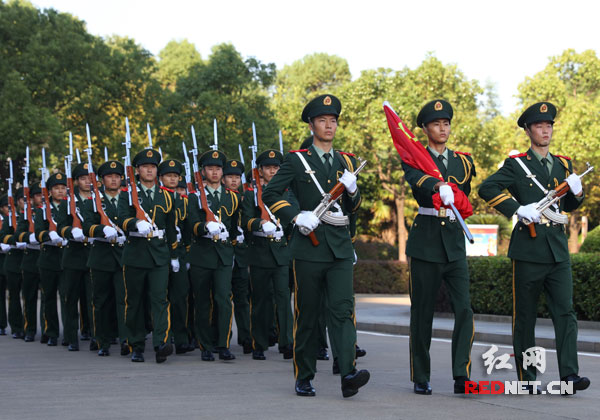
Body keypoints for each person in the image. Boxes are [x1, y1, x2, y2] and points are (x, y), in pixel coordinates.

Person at [478, 102, 590, 394]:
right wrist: (517, 208)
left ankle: (570, 375)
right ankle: (526, 377)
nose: (545, 131)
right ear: (528, 130)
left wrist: (578, 193)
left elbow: (568, 204)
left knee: (565, 313)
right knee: (525, 316)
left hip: (557, 250)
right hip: (528, 250)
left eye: (549, 126)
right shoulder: (517, 165)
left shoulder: (563, 164)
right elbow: (486, 188)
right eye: (539, 126)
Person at [262, 94, 369, 398]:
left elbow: (354, 206)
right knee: (308, 314)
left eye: (333, 120)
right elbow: (271, 193)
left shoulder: (345, 161)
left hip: (339, 248)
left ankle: (348, 372)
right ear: (311, 125)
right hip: (308, 248)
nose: (328, 125)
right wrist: (296, 215)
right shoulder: (297, 160)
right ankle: (304, 375)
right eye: (322, 120)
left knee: (342, 311)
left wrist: (353, 190)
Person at [400, 99, 477, 395]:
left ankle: (462, 374)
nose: (442, 128)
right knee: (422, 312)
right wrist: (435, 186)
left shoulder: (463, 162)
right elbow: (415, 180)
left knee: (464, 310)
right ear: (425, 128)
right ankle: (421, 374)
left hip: (454, 243)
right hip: (427, 241)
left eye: (446, 123)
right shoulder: (414, 159)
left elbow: (464, 197)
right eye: (436, 124)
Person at [117, 148, 178, 363]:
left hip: (159, 254)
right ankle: (136, 344)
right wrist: (135, 223)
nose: (149, 170)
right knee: (134, 301)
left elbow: (171, 228)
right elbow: (121, 219)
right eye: (145, 167)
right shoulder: (128, 195)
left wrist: (174, 254)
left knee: (160, 299)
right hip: (135, 253)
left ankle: (161, 343)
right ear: (137, 170)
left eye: (153, 167)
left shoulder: (168, 196)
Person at [187, 150, 239, 362]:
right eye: (210, 168)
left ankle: (223, 344)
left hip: (224, 256)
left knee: (224, 300)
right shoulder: (194, 198)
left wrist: (231, 242)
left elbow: (235, 227)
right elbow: (191, 224)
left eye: (218, 169)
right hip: (202, 254)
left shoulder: (232, 197)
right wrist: (204, 228)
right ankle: (205, 345)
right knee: (202, 302)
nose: (215, 172)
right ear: (203, 171)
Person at [241, 150, 294, 360]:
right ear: (260, 170)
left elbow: (294, 219)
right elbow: (244, 221)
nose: (272, 170)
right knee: (260, 300)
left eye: (276, 167)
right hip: (260, 252)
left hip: (281, 253)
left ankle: (287, 343)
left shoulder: (287, 193)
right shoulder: (251, 194)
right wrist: (259, 223)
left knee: (283, 299)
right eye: (268, 167)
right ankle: (259, 343)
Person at [81, 160, 129, 357]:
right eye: (110, 176)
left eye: (117, 176)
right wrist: (102, 230)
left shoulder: (129, 199)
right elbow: (87, 227)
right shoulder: (92, 201)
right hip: (101, 257)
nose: (114, 179)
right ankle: (102, 340)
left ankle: (127, 339)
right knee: (100, 301)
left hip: (123, 256)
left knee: (124, 300)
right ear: (102, 180)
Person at [158, 159, 194, 355]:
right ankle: (164, 336)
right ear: (161, 178)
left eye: (175, 176)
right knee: (160, 296)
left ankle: (181, 338)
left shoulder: (183, 201)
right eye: (168, 176)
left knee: (180, 296)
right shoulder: (156, 198)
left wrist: (186, 253)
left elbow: (188, 229)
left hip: (179, 253)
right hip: (159, 250)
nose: (172, 179)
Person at [56, 162, 94, 351]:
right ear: (77, 181)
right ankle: (71, 337)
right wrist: (71, 232)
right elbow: (60, 227)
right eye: (83, 178)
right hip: (73, 256)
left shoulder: (99, 200)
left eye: (89, 177)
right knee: (71, 299)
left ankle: (97, 336)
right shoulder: (68, 202)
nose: (87, 181)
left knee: (94, 299)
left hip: (94, 254)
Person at [222, 159, 252, 354]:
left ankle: (247, 338)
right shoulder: (219, 199)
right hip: (223, 252)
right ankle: (222, 339)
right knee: (222, 299)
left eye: (237, 177)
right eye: (230, 177)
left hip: (241, 254)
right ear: (223, 179)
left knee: (243, 299)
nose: (234, 181)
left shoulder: (246, 199)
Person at [35, 172, 68, 347]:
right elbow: (38, 233)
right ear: (50, 191)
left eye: (63, 188)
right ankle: (51, 332)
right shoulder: (42, 210)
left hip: (66, 258)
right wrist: (49, 235)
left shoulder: (71, 207)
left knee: (66, 297)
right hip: (49, 258)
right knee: (48, 297)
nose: (60, 191)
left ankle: (68, 333)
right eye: (56, 188)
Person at [18, 182, 44, 342]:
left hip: (49, 256)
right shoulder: (28, 213)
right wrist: (30, 237)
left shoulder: (53, 211)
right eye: (37, 195)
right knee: (29, 296)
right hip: (31, 258)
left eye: (42, 194)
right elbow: (18, 235)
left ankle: (47, 329)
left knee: (47, 296)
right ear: (32, 198)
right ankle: (29, 329)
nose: (40, 198)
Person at [0, 188, 25, 339]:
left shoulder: (34, 215)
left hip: (28, 259)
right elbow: (4, 236)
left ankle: (28, 326)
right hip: (12, 259)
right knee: (12, 295)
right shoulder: (9, 220)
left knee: (28, 296)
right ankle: (14, 326)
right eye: (22, 199)